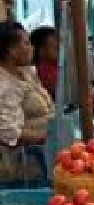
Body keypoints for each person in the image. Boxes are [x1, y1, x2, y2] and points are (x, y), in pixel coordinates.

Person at [0, 21, 54, 186]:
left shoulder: (26, 72)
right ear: (11, 51)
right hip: (21, 169)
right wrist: (50, 136)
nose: (32, 47)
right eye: (26, 43)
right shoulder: (4, 85)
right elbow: (10, 134)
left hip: (44, 156)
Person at [30, 26, 59, 99]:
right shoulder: (43, 69)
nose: (60, 51)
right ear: (41, 50)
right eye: (56, 48)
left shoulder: (55, 65)